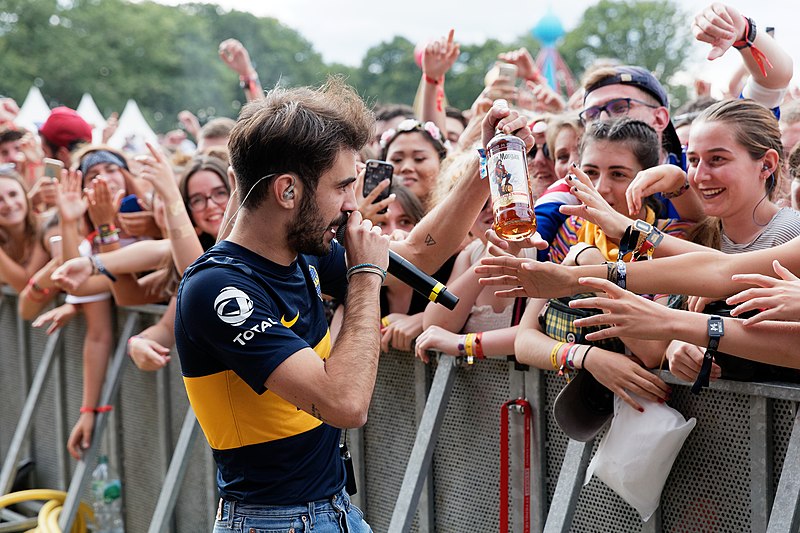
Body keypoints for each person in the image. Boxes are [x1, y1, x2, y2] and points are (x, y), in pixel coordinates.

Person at [174, 78, 531, 531]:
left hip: (333, 508)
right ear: (287, 191)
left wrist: (487, 166)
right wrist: (365, 277)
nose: (353, 207)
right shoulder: (219, 289)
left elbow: (418, 254)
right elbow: (344, 403)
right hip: (273, 521)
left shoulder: (301, 249)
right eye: (343, 187)